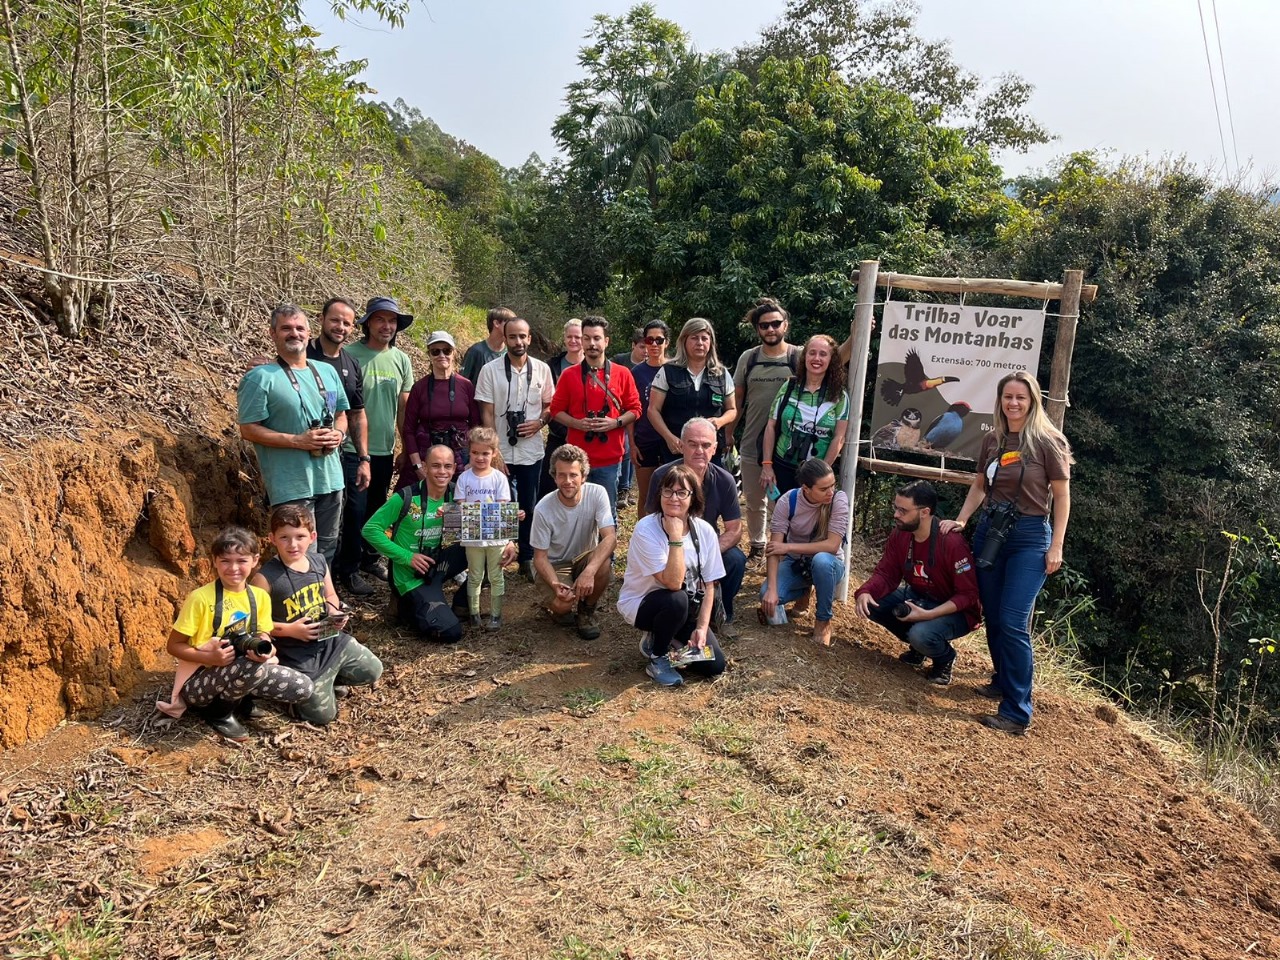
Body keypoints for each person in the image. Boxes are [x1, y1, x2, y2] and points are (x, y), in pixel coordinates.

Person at [940, 371, 1073, 736]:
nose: (1013, 403)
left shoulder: (1049, 442)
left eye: (1021, 398)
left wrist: (1056, 544)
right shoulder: (992, 440)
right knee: (995, 616)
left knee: (1014, 621)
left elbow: (1061, 497)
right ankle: (1002, 679)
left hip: (1029, 537)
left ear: (1033, 401)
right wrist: (963, 520)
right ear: (1000, 401)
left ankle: (1017, 711)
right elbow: (980, 485)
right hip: (991, 532)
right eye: (1007, 397)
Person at [158, 527, 315, 741]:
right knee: (252, 667)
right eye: (225, 561)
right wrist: (209, 657)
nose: (233, 568)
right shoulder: (201, 598)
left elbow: (262, 633)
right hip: (199, 683)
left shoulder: (259, 596)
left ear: (255, 560)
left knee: (302, 688)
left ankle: (240, 700)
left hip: (245, 669)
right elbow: (173, 646)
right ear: (214, 561)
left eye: (241, 561)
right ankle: (219, 713)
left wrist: (265, 648)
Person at [363, 445, 517, 643]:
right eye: (436, 466)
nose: (442, 472)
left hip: (438, 564)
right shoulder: (406, 497)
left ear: (454, 469)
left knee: (491, 553)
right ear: (425, 467)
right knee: (451, 632)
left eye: (447, 466)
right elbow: (370, 530)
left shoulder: (457, 494)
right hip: (411, 573)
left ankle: (461, 605)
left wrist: (508, 541)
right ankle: (404, 604)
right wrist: (407, 557)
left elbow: (486, 517)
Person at [238, 304, 349, 565]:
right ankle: (301, 605)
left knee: (328, 546)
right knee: (298, 551)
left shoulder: (327, 372)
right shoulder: (260, 377)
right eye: (286, 328)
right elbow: (248, 428)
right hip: (290, 484)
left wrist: (339, 434)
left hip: (331, 479)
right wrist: (297, 441)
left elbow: (341, 414)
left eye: (300, 328)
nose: (294, 333)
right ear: (272, 333)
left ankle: (325, 601)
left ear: (309, 333)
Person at [252, 505, 383, 725]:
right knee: (323, 716)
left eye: (300, 536)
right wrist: (291, 630)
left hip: (328, 638)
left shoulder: (318, 561)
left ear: (312, 537)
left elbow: (330, 594)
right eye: (284, 537)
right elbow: (256, 625)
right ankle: (292, 697)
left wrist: (335, 612)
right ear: (272, 539)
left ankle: (330, 677)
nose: (293, 544)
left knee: (373, 670)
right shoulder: (265, 578)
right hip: (296, 654)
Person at [854, 481, 981, 686]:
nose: (896, 515)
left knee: (921, 634)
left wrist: (929, 615)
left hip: (956, 610)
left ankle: (943, 658)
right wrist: (865, 592)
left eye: (903, 510)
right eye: (896, 508)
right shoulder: (900, 533)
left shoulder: (950, 541)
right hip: (920, 596)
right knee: (873, 603)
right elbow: (887, 574)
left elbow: (968, 595)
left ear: (925, 512)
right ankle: (918, 647)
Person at [619, 464, 728, 687]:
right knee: (675, 597)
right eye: (667, 491)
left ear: (693, 497)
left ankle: (669, 647)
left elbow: (709, 584)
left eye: (681, 492)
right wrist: (676, 537)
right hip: (644, 604)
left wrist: (701, 628)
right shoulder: (646, 529)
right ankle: (657, 657)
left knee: (714, 664)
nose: (673, 498)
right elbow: (672, 582)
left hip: (686, 609)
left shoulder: (704, 530)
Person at [337, 296, 414, 591]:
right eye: (380, 320)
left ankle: (371, 558)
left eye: (392, 321)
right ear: (367, 323)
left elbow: (403, 409)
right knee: (353, 509)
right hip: (353, 449)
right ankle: (349, 567)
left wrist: (405, 448)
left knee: (377, 507)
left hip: (384, 448)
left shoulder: (401, 359)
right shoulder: (350, 355)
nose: (386, 326)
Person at [644, 418, 746, 639]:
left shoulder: (724, 480)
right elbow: (650, 522)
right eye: (692, 443)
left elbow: (735, 529)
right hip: (669, 542)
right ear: (681, 445)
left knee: (736, 560)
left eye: (706, 445)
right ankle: (669, 618)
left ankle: (723, 614)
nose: (699, 450)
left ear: (715, 449)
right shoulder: (662, 476)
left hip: (708, 545)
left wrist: (708, 558)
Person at [475, 317, 553, 583]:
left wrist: (539, 422)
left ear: (529, 338)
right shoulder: (490, 370)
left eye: (523, 336)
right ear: (504, 338)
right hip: (500, 452)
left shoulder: (542, 369)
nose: (518, 342)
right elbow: (486, 411)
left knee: (529, 505)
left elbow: (549, 406)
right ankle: (493, 559)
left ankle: (526, 557)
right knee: (497, 505)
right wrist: (492, 451)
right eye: (513, 337)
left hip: (532, 450)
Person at [548, 316, 641, 523]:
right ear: (581, 341)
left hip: (609, 458)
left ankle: (608, 556)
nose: (592, 344)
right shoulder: (569, 375)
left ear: (606, 341)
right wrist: (577, 423)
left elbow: (635, 409)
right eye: (587, 338)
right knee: (575, 515)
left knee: (606, 515)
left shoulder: (622, 373)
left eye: (597, 338)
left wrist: (615, 423)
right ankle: (579, 555)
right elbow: (556, 410)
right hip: (576, 461)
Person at [308, 299, 372, 590]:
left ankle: (347, 571)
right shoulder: (302, 353)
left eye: (347, 323)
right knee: (310, 522)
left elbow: (356, 412)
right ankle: (312, 581)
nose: (341, 328)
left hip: (344, 454)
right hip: (304, 454)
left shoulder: (350, 364)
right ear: (321, 319)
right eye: (335, 320)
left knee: (354, 511)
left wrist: (364, 458)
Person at [733, 298, 802, 563]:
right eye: (764, 325)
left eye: (776, 323)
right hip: (752, 443)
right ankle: (758, 547)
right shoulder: (748, 358)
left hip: (786, 447)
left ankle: (780, 551)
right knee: (753, 501)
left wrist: (857, 336)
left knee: (782, 504)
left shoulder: (799, 356)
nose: (771, 329)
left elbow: (832, 360)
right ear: (758, 329)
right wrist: (729, 435)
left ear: (785, 325)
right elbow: (737, 403)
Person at [759, 458, 849, 647]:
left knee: (822, 562)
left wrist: (789, 547)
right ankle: (803, 591)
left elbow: (832, 545)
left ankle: (823, 620)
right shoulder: (788, 500)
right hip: (796, 563)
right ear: (806, 489)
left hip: (829, 564)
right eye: (824, 489)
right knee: (767, 596)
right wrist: (772, 590)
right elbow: (775, 548)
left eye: (833, 485)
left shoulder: (838, 500)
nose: (830, 492)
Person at [529, 444, 616, 640]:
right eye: (562, 475)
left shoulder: (597, 493)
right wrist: (554, 584)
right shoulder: (544, 508)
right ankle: (557, 607)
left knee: (603, 563)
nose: (567, 481)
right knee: (563, 606)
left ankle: (586, 611)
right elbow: (540, 558)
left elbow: (610, 537)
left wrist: (589, 572)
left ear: (583, 476)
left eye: (573, 475)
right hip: (555, 564)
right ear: (554, 476)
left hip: (584, 558)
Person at [760, 334, 850, 499]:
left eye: (823, 354)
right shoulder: (790, 386)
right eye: (812, 353)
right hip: (782, 464)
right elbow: (771, 425)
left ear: (832, 360)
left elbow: (839, 437)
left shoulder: (839, 396)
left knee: (810, 521)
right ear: (805, 357)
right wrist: (767, 465)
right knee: (782, 518)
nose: (817, 358)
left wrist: (823, 473)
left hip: (815, 473)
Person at [647, 317, 737, 467]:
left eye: (704, 338)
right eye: (694, 338)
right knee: (678, 489)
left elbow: (732, 410)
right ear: (684, 341)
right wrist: (669, 437)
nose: (700, 343)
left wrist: (719, 421)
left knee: (707, 490)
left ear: (711, 343)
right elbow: (652, 410)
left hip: (709, 453)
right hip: (676, 451)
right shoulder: (668, 371)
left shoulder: (721, 374)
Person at [454, 427, 517, 630]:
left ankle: (496, 616)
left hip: (495, 538)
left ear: (494, 453)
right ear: (469, 452)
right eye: (475, 453)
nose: (480, 458)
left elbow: (502, 508)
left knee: (496, 575)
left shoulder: (499, 478)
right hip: (473, 538)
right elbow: (461, 507)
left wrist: (508, 538)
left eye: (485, 453)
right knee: (475, 575)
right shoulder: (464, 479)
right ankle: (474, 615)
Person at [400, 331, 479, 486]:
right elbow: (408, 429)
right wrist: (417, 466)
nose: (441, 355)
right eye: (435, 351)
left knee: (456, 504)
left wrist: (472, 461)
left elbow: (476, 426)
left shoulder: (466, 386)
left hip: (459, 456)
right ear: (429, 354)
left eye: (446, 350)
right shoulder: (419, 388)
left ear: (454, 353)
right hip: (426, 453)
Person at [539, 319, 584, 501]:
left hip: (585, 434)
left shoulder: (596, 366)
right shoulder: (551, 366)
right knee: (549, 483)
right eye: (569, 337)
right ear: (564, 338)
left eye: (578, 337)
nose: (573, 341)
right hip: (558, 433)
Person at [630, 320, 671, 521]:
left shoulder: (675, 369)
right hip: (644, 439)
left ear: (667, 342)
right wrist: (631, 443)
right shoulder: (636, 373)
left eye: (659, 340)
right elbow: (630, 410)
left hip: (671, 441)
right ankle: (643, 539)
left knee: (670, 494)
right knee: (646, 496)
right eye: (649, 340)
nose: (654, 344)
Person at [613, 328, 645, 506]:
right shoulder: (620, 361)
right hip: (620, 414)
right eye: (641, 346)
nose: (645, 351)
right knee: (625, 448)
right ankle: (622, 489)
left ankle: (626, 488)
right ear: (633, 345)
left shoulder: (652, 365)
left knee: (634, 451)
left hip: (640, 412)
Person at [461, 307, 514, 382]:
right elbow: (462, 382)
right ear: (496, 323)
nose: (514, 327)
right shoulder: (476, 351)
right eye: (509, 323)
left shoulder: (511, 352)